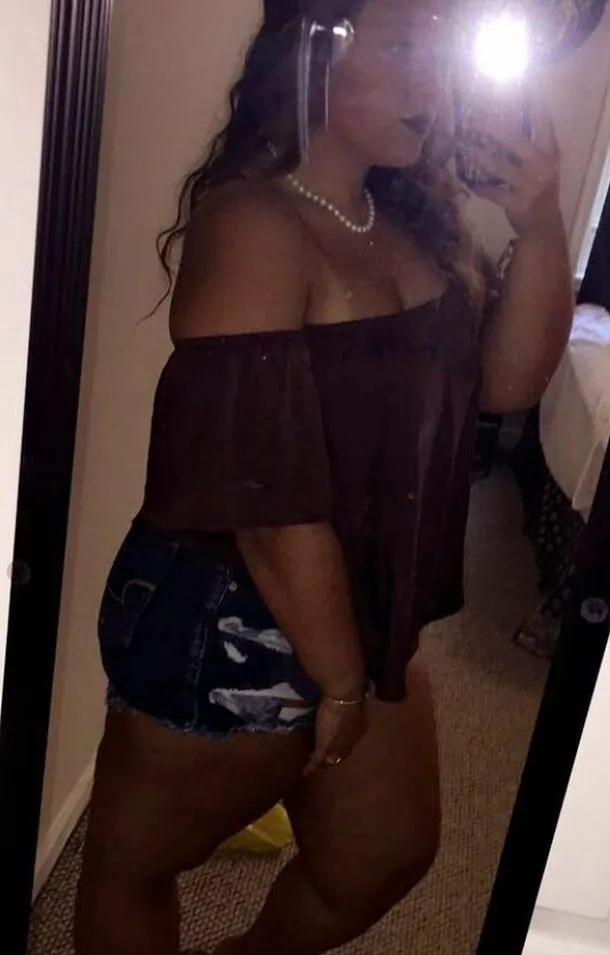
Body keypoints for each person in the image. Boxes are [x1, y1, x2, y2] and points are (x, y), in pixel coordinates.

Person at [74, 0, 573, 953]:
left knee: (383, 853)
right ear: (311, 49)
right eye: (404, 45)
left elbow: (510, 385)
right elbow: (262, 490)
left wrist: (540, 223)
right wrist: (339, 682)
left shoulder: (412, 220)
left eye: (441, 51)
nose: (434, 80)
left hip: (368, 599)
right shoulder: (252, 221)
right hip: (230, 614)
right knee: (132, 867)